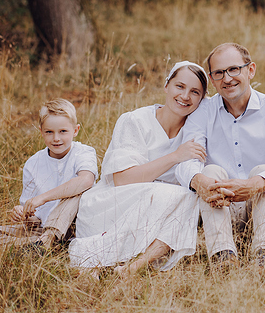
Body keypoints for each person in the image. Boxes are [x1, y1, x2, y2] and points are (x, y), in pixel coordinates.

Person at [69, 61, 208, 276]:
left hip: (163, 205)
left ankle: (134, 267)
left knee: (189, 198)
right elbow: (122, 179)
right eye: (179, 86)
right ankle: (99, 258)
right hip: (116, 200)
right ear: (166, 86)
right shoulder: (134, 121)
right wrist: (175, 156)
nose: (185, 96)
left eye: (195, 92)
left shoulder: (195, 132)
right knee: (183, 196)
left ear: (201, 99)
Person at [176, 43, 265, 267]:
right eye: (219, 73)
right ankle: (223, 257)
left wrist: (256, 184)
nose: (227, 79)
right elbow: (185, 159)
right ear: (212, 79)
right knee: (209, 171)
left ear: (251, 70)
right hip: (219, 204)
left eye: (234, 69)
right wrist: (200, 181)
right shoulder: (202, 112)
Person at [0, 99, 97, 251]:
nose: (56, 138)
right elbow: (34, 220)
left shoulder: (84, 152)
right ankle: (45, 245)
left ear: (75, 130)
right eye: (49, 132)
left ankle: (48, 241)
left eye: (63, 131)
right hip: (42, 228)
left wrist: (42, 198)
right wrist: (24, 214)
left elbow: (86, 180)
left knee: (76, 190)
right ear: (41, 131)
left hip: (77, 226)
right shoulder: (33, 163)